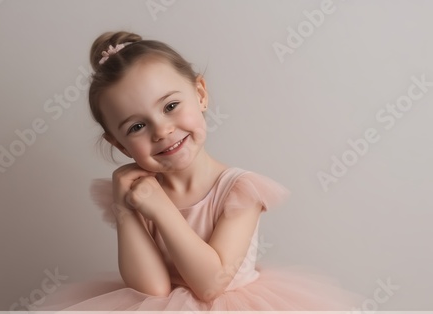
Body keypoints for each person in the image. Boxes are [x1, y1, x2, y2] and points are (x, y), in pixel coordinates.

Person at [36, 31, 364, 311]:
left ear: (201, 94)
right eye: (136, 126)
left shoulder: (241, 190)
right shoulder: (138, 193)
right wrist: (125, 210)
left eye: (170, 106)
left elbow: (211, 285)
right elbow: (150, 291)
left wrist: (160, 208)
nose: (162, 131)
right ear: (119, 145)